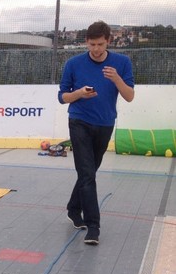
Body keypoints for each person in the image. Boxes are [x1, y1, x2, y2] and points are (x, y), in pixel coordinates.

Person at [58, 20, 135, 245]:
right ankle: (93, 227)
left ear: (108, 41)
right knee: (87, 175)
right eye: (92, 44)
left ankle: (73, 209)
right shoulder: (74, 64)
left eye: (100, 44)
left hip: (105, 124)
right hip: (79, 122)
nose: (96, 49)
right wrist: (79, 93)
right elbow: (62, 97)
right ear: (86, 42)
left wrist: (117, 79)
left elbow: (129, 96)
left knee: (88, 173)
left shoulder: (122, 63)